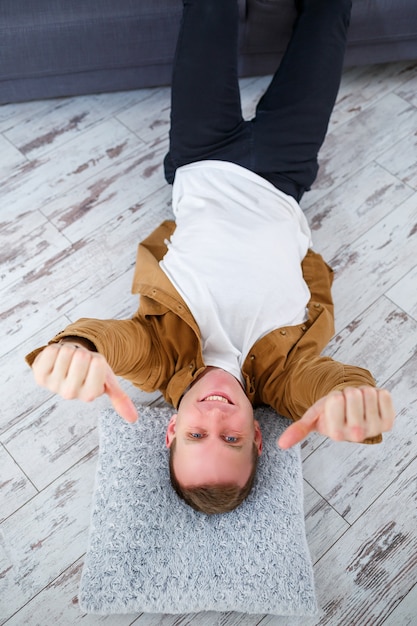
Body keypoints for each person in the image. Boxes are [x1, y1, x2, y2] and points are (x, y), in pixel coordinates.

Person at [26, 0, 395, 514]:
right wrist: (350, 396)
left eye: (198, 435)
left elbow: (118, 345)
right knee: (330, 14)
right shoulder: (283, 379)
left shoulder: (160, 358)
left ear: (172, 428)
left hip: (199, 157)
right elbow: (323, 386)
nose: (217, 420)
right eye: (232, 440)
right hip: (283, 172)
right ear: (258, 438)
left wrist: (79, 347)